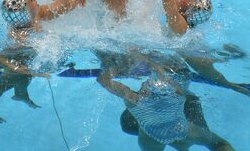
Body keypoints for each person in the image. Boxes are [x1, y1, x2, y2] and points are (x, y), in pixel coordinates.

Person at [97, 49, 238, 151]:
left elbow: (103, 80)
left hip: (157, 136)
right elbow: (168, 75)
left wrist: (115, 68)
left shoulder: (134, 101)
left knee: (127, 124)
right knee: (218, 143)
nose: (143, 83)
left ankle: (181, 146)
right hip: (182, 129)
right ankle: (183, 146)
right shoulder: (175, 93)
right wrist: (147, 61)